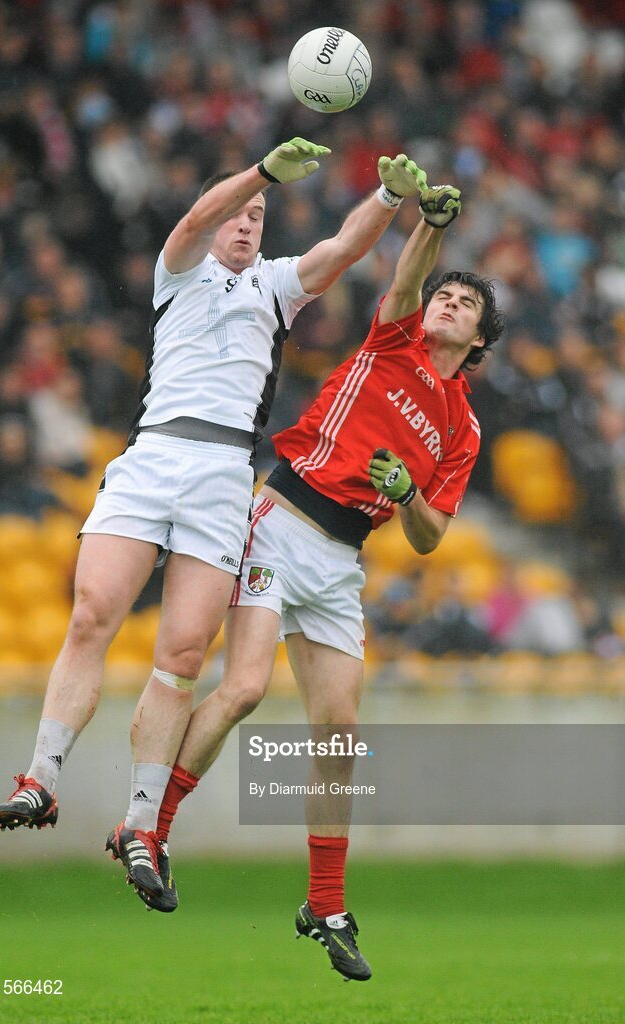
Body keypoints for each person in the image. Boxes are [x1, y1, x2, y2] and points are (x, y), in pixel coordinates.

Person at [0, 138, 429, 904]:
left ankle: (138, 828)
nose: (246, 223)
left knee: (184, 655)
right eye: (240, 212)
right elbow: (198, 212)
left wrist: (389, 201)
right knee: (93, 613)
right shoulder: (180, 266)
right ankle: (41, 777)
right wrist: (258, 174)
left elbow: (340, 252)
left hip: (225, 476)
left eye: (259, 215)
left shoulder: (275, 286)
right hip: (154, 457)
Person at [143, 180, 506, 982]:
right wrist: (430, 225)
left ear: (481, 339)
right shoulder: (395, 340)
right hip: (282, 518)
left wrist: (409, 497)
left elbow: (430, 537)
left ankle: (325, 905)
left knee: (339, 735)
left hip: (341, 564)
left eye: (464, 305)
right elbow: (408, 279)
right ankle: (152, 831)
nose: (446, 304)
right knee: (241, 690)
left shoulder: (465, 426)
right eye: (445, 294)